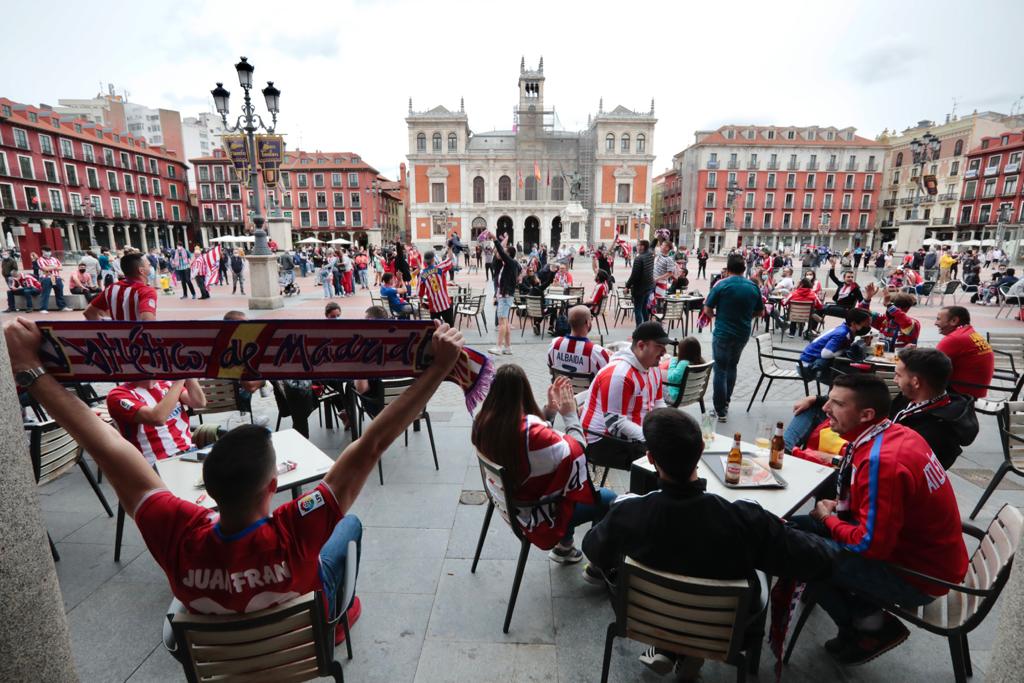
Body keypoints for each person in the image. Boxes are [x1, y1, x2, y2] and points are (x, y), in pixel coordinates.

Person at [4, 316, 464, 651]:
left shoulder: (178, 530)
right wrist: (439, 370)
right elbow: (374, 439)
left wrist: (31, 371)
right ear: (273, 487)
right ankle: (339, 619)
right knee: (348, 529)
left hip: (219, 657)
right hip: (299, 644)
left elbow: (106, 446)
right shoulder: (295, 531)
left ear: (207, 490)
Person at [582, 408, 836, 677]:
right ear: (702, 450)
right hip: (723, 626)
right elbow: (821, 560)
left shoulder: (627, 512)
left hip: (646, 617)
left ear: (651, 459)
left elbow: (593, 549)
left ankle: (670, 646)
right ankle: (691, 649)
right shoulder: (746, 519)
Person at [791, 373, 968, 665]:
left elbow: (870, 546)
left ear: (867, 414)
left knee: (800, 552)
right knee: (798, 529)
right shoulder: (896, 434)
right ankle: (863, 615)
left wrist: (828, 518)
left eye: (836, 403)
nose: (824, 409)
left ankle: (870, 628)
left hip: (917, 577)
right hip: (933, 561)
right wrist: (836, 508)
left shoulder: (880, 461)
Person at [473, 367, 617, 563]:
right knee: (608, 498)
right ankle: (598, 564)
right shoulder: (530, 434)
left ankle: (565, 547)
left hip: (506, 503)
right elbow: (578, 452)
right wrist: (570, 415)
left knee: (560, 478)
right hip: (535, 516)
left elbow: (536, 449)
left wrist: (549, 411)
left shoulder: (483, 423)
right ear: (525, 392)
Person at [582, 322, 671, 471]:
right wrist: (651, 438)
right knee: (662, 460)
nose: (663, 352)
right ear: (641, 345)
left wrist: (669, 424)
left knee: (676, 447)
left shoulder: (652, 367)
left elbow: (658, 402)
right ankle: (646, 493)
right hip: (600, 440)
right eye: (659, 346)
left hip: (631, 432)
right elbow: (615, 424)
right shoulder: (619, 374)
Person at [702, 254, 763, 422]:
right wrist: (746, 318)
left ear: (728, 269)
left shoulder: (722, 285)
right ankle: (726, 402)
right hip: (742, 332)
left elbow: (707, 309)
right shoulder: (753, 287)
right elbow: (760, 311)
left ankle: (720, 410)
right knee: (732, 367)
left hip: (722, 332)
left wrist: (717, 316)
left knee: (720, 369)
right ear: (744, 269)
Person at [106, 376, 208, 464]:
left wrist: (189, 374)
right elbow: (157, 418)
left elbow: (199, 403)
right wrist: (180, 379)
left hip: (190, 451)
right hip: (156, 462)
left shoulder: (167, 383)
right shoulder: (118, 395)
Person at [934, 306, 995, 398]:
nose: (935, 323)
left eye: (938, 319)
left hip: (961, 393)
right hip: (976, 390)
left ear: (954, 321)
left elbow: (929, 364)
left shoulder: (955, 339)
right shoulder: (969, 332)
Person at [799, 308, 872, 383]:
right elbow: (825, 354)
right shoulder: (842, 333)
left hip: (814, 363)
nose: (868, 327)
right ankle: (834, 394)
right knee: (850, 380)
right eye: (866, 324)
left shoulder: (846, 330)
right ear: (853, 323)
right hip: (808, 367)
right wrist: (844, 351)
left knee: (853, 373)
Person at [83, 252, 157, 321]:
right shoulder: (146, 291)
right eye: (149, 265)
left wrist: (106, 329)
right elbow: (148, 321)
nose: (150, 267)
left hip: (116, 334)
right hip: (138, 334)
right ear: (141, 270)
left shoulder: (111, 288)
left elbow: (88, 313)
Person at [547, 305, 610, 376]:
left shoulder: (554, 344)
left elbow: (551, 372)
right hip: (587, 387)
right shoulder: (597, 353)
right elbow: (607, 377)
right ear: (588, 322)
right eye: (591, 318)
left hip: (561, 386)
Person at [859, 284, 920, 350]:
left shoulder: (913, 323)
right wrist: (867, 299)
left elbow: (901, 317)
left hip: (902, 358)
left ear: (906, 309)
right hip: (882, 357)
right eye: (887, 307)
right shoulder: (885, 319)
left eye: (891, 307)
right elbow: (862, 314)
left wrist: (889, 304)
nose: (888, 310)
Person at [492, 234, 521, 356]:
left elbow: (500, 252)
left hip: (506, 296)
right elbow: (499, 253)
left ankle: (498, 347)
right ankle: (508, 347)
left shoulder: (511, 262)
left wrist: (494, 238)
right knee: (506, 322)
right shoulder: (508, 265)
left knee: (502, 321)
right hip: (504, 295)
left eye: (505, 252)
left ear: (508, 254)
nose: (503, 253)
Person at [661, 336, 704, 405]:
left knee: (655, 384)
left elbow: (671, 378)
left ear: (683, 352)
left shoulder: (684, 364)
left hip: (676, 397)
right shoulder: (700, 362)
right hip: (694, 395)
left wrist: (673, 360)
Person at [417, 247, 455, 325]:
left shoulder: (422, 275)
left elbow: (420, 293)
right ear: (433, 260)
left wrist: (422, 303)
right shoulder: (441, 267)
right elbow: (450, 258)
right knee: (450, 327)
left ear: (425, 261)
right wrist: (450, 248)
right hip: (445, 304)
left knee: (436, 329)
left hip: (433, 307)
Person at [624, 240, 655, 325]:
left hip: (640, 289)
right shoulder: (650, 254)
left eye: (638, 245)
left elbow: (634, 275)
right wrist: (655, 239)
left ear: (642, 246)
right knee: (644, 308)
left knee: (638, 309)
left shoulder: (639, 259)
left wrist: (627, 286)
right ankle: (647, 328)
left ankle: (639, 330)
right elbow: (652, 246)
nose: (637, 247)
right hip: (648, 287)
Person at [36, 245, 72, 313]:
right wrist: (54, 266)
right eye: (46, 251)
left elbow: (61, 267)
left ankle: (62, 306)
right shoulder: (40, 260)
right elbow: (44, 269)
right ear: (43, 251)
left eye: (49, 251)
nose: (48, 252)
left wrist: (51, 267)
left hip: (55, 277)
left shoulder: (54, 259)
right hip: (46, 278)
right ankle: (43, 308)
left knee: (59, 291)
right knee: (46, 293)